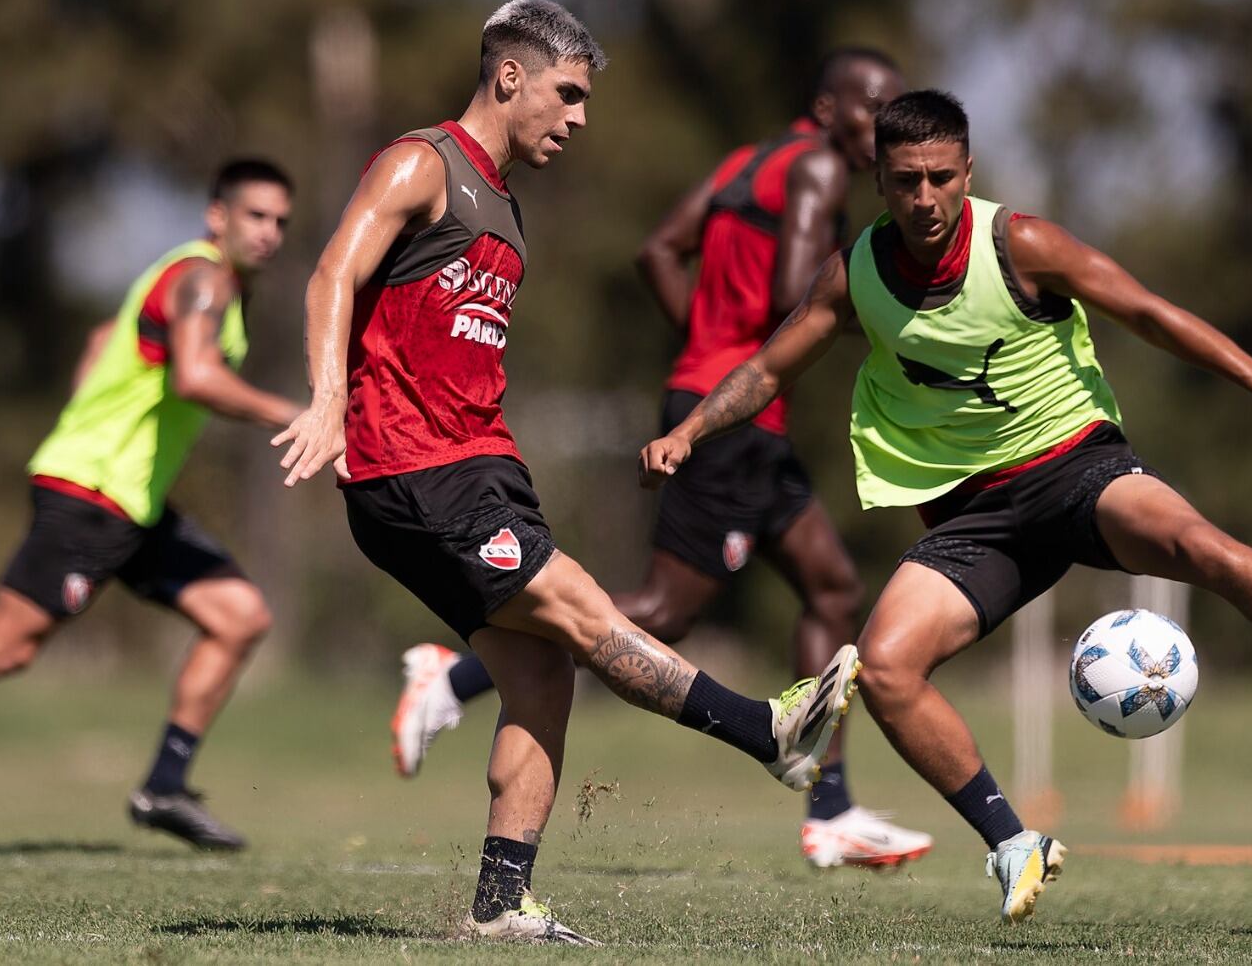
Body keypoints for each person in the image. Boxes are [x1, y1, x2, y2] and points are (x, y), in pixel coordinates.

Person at [638, 90, 1252, 923]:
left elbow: (1147, 311)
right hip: (972, 516)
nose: (924, 199)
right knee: (885, 669)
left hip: (1075, 463)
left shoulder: (1022, 244)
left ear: (967, 171)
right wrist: (694, 430)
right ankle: (1012, 843)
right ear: (881, 185)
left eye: (939, 178)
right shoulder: (855, 271)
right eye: (904, 182)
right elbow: (768, 369)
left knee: (1188, 541)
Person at [272, 0, 858, 945]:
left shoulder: (505, 202)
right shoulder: (424, 162)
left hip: (478, 463)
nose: (580, 118)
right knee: (586, 610)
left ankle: (501, 905)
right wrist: (328, 398)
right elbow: (332, 272)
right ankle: (769, 735)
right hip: (416, 467)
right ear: (511, 77)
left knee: (544, 674)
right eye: (568, 94)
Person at [393, 48, 931, 871]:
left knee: (831, 583)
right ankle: (455, 679)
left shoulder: (749, 162)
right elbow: (800, 286)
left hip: (723, 401)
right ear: (829, 109)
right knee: (662, 609)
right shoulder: (820, 170)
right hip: (737, 414)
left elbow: (657, 251)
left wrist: (700, 348)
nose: (886, 127)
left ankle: (831, 810)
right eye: (874, 108)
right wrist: (909, 319)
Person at [0, 160, 301, 854]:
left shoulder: (206, 285)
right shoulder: (202, 279)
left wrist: (92, 403)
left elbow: (98, 342)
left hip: (132, 499)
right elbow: (197, 377)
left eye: (281, 222)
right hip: (90, 494)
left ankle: (164, 788)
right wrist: (295, 413)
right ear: (217, 217)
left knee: (239, 616)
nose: (270, 233)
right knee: (3, 647)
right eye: (256, 216)